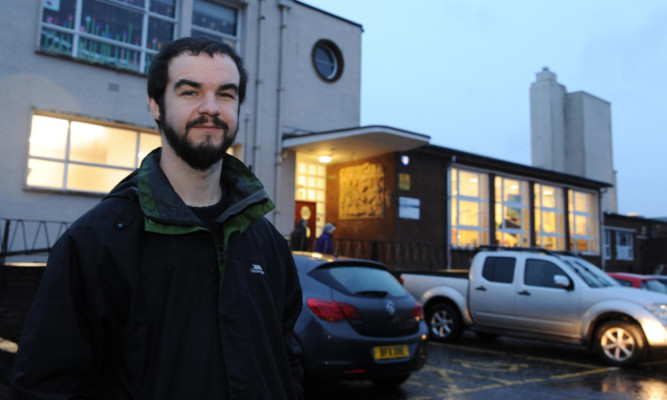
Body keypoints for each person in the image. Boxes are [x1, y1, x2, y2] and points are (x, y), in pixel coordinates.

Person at [12, 37, 303, 399]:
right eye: (190, 92)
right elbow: (46, 386)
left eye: (226, 94)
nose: (211, 108)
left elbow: (286, 360)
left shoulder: (269, 246)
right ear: (155, 105)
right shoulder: (96, 243)